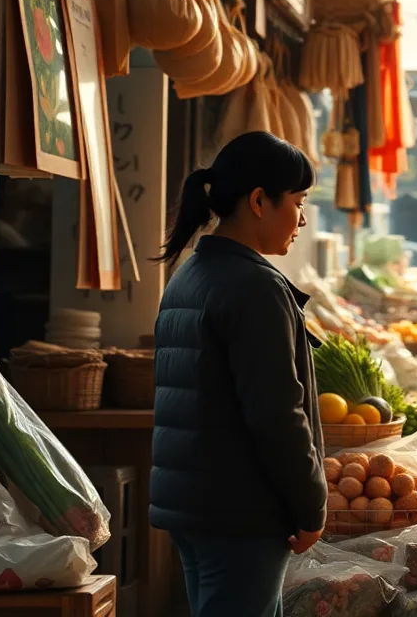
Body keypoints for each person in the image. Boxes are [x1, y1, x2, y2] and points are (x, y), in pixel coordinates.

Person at [150, 132, 325, 617]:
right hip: (241, 512)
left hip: (197, 504)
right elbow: (277, 417)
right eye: (298, 201)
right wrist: (310, 508)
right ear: (258, 201)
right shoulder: (254, 286)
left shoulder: (193, 273)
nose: (302, 218)